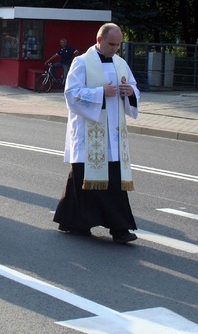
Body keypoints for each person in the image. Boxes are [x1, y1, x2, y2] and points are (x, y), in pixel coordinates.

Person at [53, 23, 140, 244]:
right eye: (111, 44)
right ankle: (112, 227)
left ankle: (76, 221)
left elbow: (134, 88)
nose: (115, 49)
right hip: (89, 133)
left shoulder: (121, 63)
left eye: (118, 45)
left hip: (113, 135)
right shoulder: (81, 62)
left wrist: (130, 92)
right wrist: (101, 92)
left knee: (110, 179)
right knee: (84, 176)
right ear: (99, 40)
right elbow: (71, 94)